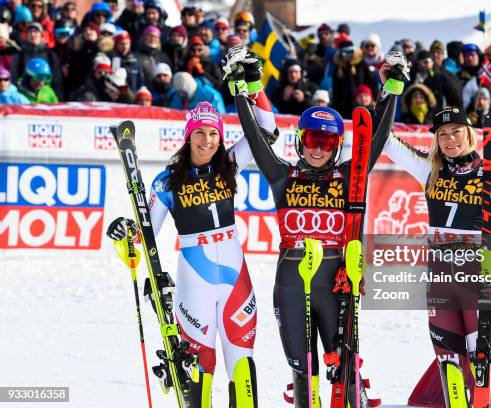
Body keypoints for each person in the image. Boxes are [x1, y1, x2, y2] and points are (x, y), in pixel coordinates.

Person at [227, 45, 408, 407]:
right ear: (301, 140)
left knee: (347, 374)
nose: (318, 149)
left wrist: (393, 89)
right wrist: (239, 90)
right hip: (292, 282)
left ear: (337, 145)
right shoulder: (283, 175)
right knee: (304, 376)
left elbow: (377, 136)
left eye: (326, 141)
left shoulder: (349, 176)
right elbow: (256, 137)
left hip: (336, 283)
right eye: (312, 139)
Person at [106, 100, 274, 407]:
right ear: (188, 135)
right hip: (195, 281)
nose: (206, 140)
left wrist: (254, 87)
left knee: (242, 364)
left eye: (213, 133)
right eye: (199, 132)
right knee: (201, 364)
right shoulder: (167, 181)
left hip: (236, 280)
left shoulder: (230, 163)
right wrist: (124, 231)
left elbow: (266, 128)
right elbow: (145, 235)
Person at [383, 106, 491, 408]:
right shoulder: (429, 168)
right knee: (450, 371)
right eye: (443, 134)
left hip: (478, 282)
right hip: (440, 282)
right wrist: (391, 90)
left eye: (456, 132)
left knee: (482, 369)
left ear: (469, 134)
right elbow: (385, 141)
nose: (450, 140)